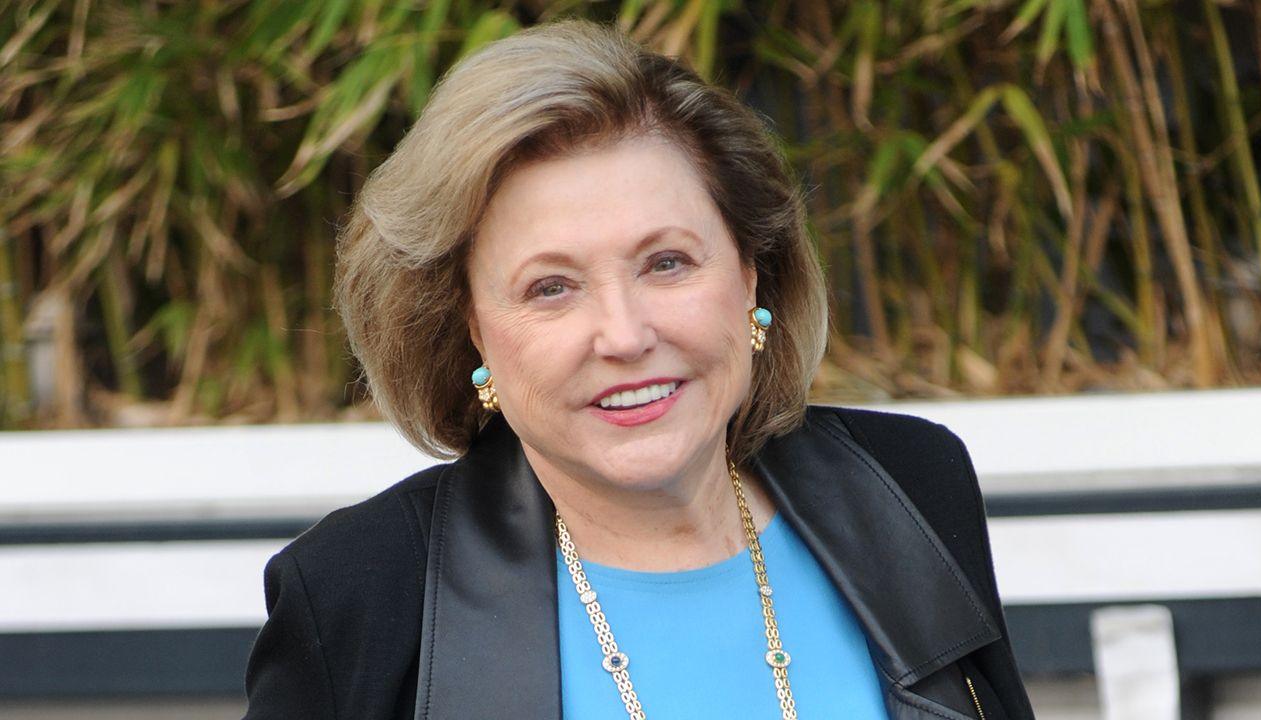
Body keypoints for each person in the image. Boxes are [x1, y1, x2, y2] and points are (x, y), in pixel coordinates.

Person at [242, 19, 1034, 720]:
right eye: (550, 288)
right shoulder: (360, 594)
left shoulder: (909, 487)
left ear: (753, 273)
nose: (623, 335)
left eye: (666, 263)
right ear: (470, 329)